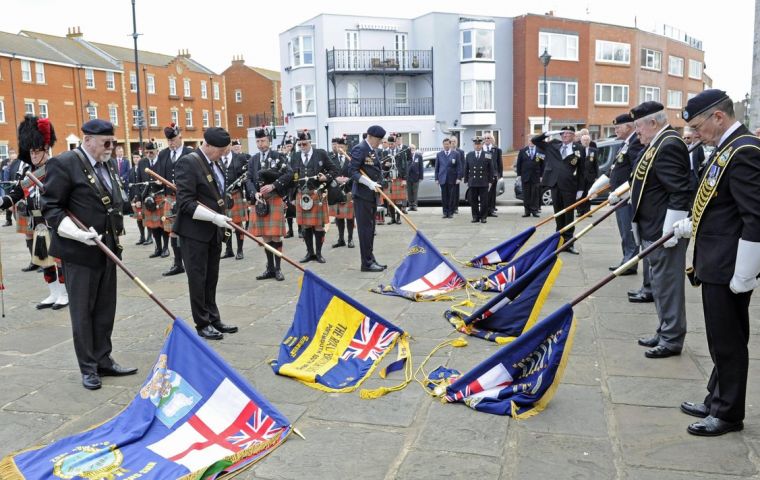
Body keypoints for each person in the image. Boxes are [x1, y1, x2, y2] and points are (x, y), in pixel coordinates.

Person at [672, 90, 760, 436]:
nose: (693, 133)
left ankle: (728, 413)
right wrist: (692, 222)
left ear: (718, 118)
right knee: (719, 337)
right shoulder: (727, 148)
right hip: (717, 259)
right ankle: (715, 398)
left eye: (697, 125)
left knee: (728, 341)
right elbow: (718, 203)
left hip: (729, 265)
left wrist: (746, 270)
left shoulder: (744, 152)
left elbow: (754, 216)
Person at [42, 119, 136, 390]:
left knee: (106, 309)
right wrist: (78, 233)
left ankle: (103, 359)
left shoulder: (105, 163)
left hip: (107, 247)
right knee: (83, 312)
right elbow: (52, 207)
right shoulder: (65, 163)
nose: (111, 147)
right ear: (88, 140)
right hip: (79, 250)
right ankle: (88, 368)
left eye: (113, 142)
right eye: (106, 142)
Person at [629, 101, 692, 359]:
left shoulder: (668, 145)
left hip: (662, 231)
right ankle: (665, 329)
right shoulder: (659, 143)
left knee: (668, 285)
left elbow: (679, 192)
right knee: (659, 283)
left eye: (638, 127)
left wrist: (669, 232)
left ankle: (672, 337)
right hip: (653, 228)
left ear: (653, 123)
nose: (637, 133)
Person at [174, 127, 238, 341]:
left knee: (211, 278)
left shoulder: (215, 161)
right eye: (220, 151)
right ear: (207, 145)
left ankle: (213, 317)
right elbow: (186, 203)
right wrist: (213, 217)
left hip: (213, 231)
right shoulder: (188, 162)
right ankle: (202, 323)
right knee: (198, 279)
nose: (223, 155)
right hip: (194, 233)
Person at [1, 115, 68, 310]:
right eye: (30, 151)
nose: (33, 156)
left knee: (58, 260)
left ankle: (64, 294)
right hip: (35, 220)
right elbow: (16, 192)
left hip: (53, 220)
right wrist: (3, 202)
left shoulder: (56, 167)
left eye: (36, 151)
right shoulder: (27, 171)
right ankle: (53, 293)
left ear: (45, 150)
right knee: (43, 259)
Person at [247, 128, 293, 281]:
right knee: (266, 236)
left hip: (274, 199)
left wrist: (273, 185)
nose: (261, 144)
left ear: (269, 141)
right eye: (258, 141)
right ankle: (270, 268)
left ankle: (278, 269)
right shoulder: (253, 160)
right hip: (260, 201)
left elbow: (289, 174)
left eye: (263, 141)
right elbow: (248, 179)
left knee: (275, 235)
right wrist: (255, 193)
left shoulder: (278, 156)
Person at [534, 126, 584, 254]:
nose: (565, 135)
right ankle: (559, 241)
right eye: (563, 133)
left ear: (573, 135)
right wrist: (548, 133)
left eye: (568, 133)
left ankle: (569, 243)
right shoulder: (552, 145)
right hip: (555, 185)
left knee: (569, 215)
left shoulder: (579, 149)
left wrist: (580, 189)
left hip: (570, 186)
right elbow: (536, 141)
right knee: (558, 214)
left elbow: (582, 171)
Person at [291, 130, 338, 263]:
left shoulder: (321, 154)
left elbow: (334, 170)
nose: (302, 147)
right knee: (305, 226)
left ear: (310, 142)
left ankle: (318, 253)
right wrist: (292, 197)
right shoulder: (295, 156)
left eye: (304, 144)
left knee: (318, 225)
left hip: (316, 194)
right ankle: (309, 253)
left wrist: (326, 177)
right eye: (299, 145)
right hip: (301, 194)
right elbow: (291, 177)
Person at [607, 113, 644, 279]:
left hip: (626, 196)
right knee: (624, 230)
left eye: (618, 127)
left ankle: (629, 261)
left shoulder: (635, 143)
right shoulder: (626, 144)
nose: (615, 130)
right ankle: (626, 260)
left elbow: (635, 172)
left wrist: (623, 191)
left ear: (629, 126)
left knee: (628, 230)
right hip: (619, 195)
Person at [348, 125, 387, 272]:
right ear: (370, 137)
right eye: (378, 140)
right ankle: (366, 263)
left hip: (371, 195)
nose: (379, 143)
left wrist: (379, 183)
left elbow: (375, 169)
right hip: (362, 195)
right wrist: (368, 183)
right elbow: (352, 171)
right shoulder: (360, 148)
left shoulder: (371, 150)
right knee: (365, 230)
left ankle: (370, 258)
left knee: (371, 229)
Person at [157, 124, 192, 275]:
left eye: (173, 139)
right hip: (170, 198)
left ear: (180, 137)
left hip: (186, 197)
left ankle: (189, 261)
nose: (171, 143)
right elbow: (160, 173)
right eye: (168, 140)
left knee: (187, 231)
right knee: (172, 232)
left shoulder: (189, 153)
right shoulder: (163, 154)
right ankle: (178, 264)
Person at [8, 147, 38, 271]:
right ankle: (33, 261)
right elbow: (17, 185)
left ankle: (42, 260)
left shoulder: (40, 165)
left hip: (35, 203)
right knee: (28, 234)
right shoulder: (18, 165)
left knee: (39, 233)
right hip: (22, 204)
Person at [219, 140, 248, 260]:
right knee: (226, 225)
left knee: (238, 225)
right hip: (223, 196)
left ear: (230, 146)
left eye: (226, 147)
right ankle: (228, 249)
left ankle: (240, 250)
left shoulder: (239, 158)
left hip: (236, 194)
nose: (224, 150)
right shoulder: (217, 159)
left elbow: (246, 175)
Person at [141, 141, 167, 259]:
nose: (149, 154)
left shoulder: (163, 163)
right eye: (147, 152)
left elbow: (169, 180)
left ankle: (166, 248)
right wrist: (138, 197)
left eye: (151, 152)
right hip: (148, 199)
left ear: (157, 151)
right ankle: (158, 248)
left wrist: (162, 183)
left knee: (163, 224)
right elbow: (140, 181)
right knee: (153, 226)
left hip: (160, 197)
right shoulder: (143, 163)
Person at [329, 137, 355, 248]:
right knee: (339, 217)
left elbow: (357, 172)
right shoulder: (331, 158)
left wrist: (348, 179)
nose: (340, 148)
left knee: (350, 217)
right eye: (338, 146)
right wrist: (336, 178)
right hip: (336, 191)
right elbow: (328, 172)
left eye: (342, 147)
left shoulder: (351, 158)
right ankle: (341, 239)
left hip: (348, 190)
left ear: (346, 147)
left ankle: (350, 239)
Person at [464, 136, 493, 223]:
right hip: (473, 181)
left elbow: (491, 169)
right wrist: (466, 180)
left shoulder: (487, 154)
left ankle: (483, 217)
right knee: (473, 201)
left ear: (482, 144)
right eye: (476, 144)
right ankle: (475, 216)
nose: (477, 146)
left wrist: (490, 181)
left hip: (483, 181)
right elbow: (466, 168)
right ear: (473, 145)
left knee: (484, 201)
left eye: (479, 144)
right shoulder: (469, 155)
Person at [515, 134, 543, 217]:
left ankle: (534, 210)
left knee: (535, 194)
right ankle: (527, 211)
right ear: (528, 141)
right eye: (530, 141)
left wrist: (542, 176)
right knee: (526, 195)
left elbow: (543, 164)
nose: (531, 142)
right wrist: (519, 175)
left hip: (536, 176)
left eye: (533, 141)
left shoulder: (540, 151)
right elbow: (519, 164)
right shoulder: (523, 151)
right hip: (525, 176)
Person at [383, 134, 408, 224]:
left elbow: (405, 166)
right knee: (390, 200)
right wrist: (386, 166)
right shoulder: (385, 153)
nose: (390, 146)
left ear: (395, 143)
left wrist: (404, 179)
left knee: (399, 199)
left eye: (392, 144)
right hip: (389, 178)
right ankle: (392, 218)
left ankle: (398, 218)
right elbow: (382, 166)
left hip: (398, 178)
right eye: (389, 144)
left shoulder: (401, 152)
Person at [435, 138, 463, 219]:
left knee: (451, 196)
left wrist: (458, 178)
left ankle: (450, 212)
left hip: (452, 178)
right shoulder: (439, 154)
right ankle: (445, 212)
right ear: (443, 145)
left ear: (450, 144)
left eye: (447, 144)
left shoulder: (456, 154)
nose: (446, 146)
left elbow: (459, 167)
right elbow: (437, 167)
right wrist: (436, 179)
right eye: (445, 144)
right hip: (442, 178)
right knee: (444, 197)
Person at [128, 152, 151, 246]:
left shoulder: (145, 168)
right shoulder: (131, 170)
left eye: (137, 157)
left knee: (147, 217)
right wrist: (134, 198)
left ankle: (149, 237)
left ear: (140, 158)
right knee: (139, 218)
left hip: (144, 196)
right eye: (134, 157)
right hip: (135, 197)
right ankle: (142, 237)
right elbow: (131, 184)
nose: (135, 159)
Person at [576, 134, 598, 216]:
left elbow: (596, 164)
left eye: (587, 140)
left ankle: (587, 211)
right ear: (581, 141)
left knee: (589, 193)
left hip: (590, 176)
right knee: (580, 194)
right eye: (584, 140)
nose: (585, 141)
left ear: (590, 141)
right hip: (580, 176)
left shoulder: (593, 150)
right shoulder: (577, 150)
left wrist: (596, 176)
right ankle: (580, 211)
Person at [483, 133, 502, 216]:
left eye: (489, 138)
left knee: (492, 193)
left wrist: (499, 174)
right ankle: (484, 210)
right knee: (484, 193)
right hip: (483, 175)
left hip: (493, 174)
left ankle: (491, 210)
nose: (487, 139)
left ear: (491, 139)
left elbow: (499, 163)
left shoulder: (496, 149)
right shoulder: (481, 149)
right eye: (485, 138)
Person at [406, 144, 424, 211]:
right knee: (409, 192)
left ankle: (415, 205)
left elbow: (421, 167)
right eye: (410, 148)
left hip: (416, 176)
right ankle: (410, 205)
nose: (412, 150)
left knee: (415, 191)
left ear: (415, 149)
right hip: (408, 177)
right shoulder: (407, 156)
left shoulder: (418, 156)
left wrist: (421, 177)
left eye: (413, 148)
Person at [450, 137, 465, 214]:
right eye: (452, 141)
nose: (453, 143)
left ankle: (455, 207)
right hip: (448, 176)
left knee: (456, 193)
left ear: (457, 142)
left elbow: (463, 164)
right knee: (449, 192)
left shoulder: (461, 152)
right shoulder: (448, 151)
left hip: (456, 176)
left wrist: (461, 176)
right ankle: (450, 207)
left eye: (454, 141)